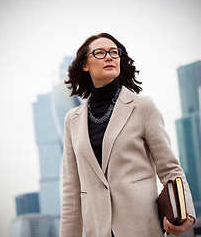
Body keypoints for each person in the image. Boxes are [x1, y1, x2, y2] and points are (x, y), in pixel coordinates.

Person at [59, 33, 196, 237]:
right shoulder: (73, 119)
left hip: (143, 227)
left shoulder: (142, 107)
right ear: (85, 65)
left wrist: (187, 215)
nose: (109, 57)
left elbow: (170, 169)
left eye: (114, 52)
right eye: (100, 52)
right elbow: (72, 190)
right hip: (98, 230)